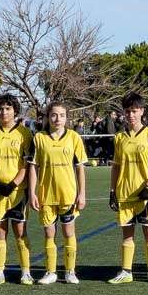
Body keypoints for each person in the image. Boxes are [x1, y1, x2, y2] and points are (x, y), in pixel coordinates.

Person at [107, 92, 148, 284]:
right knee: (127, 233)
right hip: (125, 194)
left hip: (146, 194)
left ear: (142, 111)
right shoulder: (119, 138)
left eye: (134, 110)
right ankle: (126, 272)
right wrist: (112, 191)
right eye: (127, 111)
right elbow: (115, 166)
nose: (130, 114)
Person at [28, 101, 90, 284]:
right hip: (46, 195)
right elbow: (33, 167)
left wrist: (82, 193)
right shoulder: (39, 138)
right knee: (49, 234)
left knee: (68, 232)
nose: (57, 119)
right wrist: (32, 192)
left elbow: (79, 168)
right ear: (48, 117)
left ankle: (70, 271)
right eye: (54, 115)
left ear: (66, 117)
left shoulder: (73, 137)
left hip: (68, 194)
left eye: (62, 115)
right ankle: (51, 272)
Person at [0, 93, 35, 285]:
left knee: (20, 232)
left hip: (18, 192)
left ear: (15, 111)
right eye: (0, 109)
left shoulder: (25, 134)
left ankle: (26, 272)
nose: (4, 112)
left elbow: (27, 164)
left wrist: (12, 184)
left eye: (8, 109)